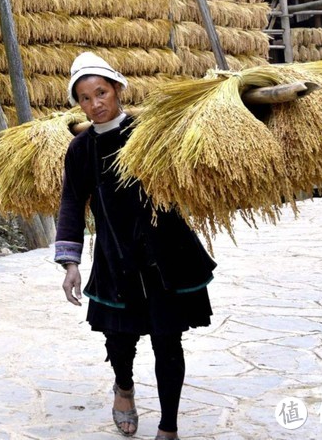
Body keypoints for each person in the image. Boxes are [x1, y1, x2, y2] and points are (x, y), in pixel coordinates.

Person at [55, 52, 215, 440]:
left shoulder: (150, 131)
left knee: (167, 340)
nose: (95, 104)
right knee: (120, 340)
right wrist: (70, 262)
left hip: (167, 254)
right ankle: (123, 388)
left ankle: (168, 428)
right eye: (85, 98)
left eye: (101, 92)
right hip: (117, 258)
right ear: (79, 104)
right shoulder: (81, 150)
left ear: (117, 90)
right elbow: (73, 203)